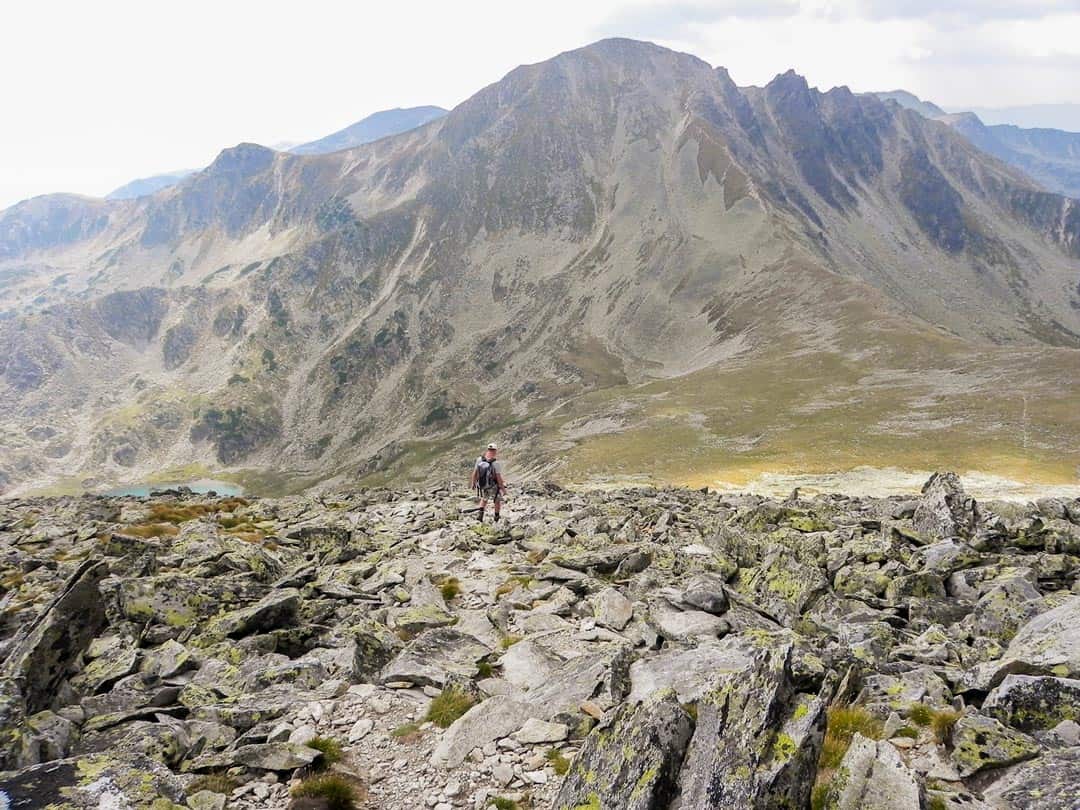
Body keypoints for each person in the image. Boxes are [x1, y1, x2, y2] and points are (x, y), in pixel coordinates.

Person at [470, 443, 506, 522]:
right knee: (497, 500)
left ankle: (480, 515)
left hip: (483, 484)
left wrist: (473, 483)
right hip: (493, 485)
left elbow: (475, 472)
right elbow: (499, 478)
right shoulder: (495, 463)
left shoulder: (479, 459)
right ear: (495, 451)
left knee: (484, 499)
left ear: (487, 449)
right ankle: (496, 517)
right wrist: (503, 489)